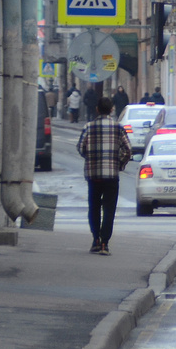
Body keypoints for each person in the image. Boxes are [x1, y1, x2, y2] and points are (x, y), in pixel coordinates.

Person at [77, 96, 131, 255]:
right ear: (112, 110)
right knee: (109, 209)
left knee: (93, 207)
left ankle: (95, 240)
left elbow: (80, 148)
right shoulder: (118, 128)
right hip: (111, 176)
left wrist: (91, 157)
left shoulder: (88, 127)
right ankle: (105, 243)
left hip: (93, 175)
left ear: (97, 109)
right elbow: (128, 150)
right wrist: (119, 164)